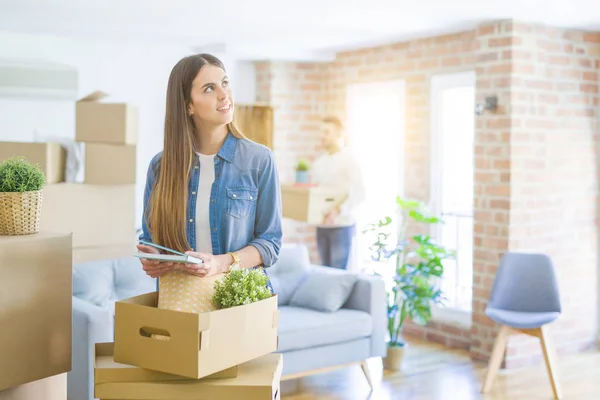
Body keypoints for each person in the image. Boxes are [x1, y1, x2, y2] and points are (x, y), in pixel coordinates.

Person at [136, 53, 282, 294]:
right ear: (188, 105)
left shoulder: (259, 160)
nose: (224, 95)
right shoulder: (160, 167)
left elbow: (270, 244)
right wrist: (152, 258)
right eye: (209, 88)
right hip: (182, 301)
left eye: (225, 83)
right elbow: (150, 239)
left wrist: (219, 264)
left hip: (240, 303)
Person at [311, 115, 366, 270]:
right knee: (325, 272)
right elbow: (317, 194)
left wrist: (339, 211)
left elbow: (360, 193)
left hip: (342, 226)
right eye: (321, 132)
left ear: (339, 134)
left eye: (326, 132)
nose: (322, 136)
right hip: (322, 226)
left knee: (339, 275)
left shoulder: (349, 160)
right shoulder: (318, 163)